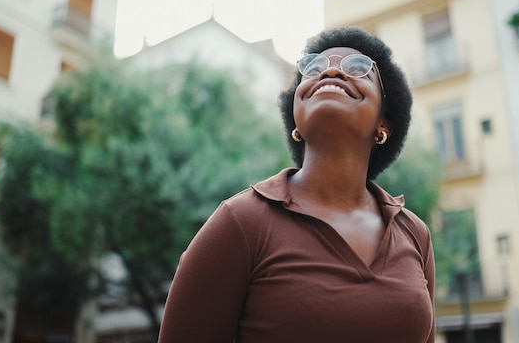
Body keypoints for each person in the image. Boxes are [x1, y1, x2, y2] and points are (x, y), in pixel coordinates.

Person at [158, 26, 435, 343]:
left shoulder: (414, 233)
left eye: (358, 68)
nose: (331, 70)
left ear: (383, 124)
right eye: (313, 68)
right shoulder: (241, 222)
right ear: (296, 118)